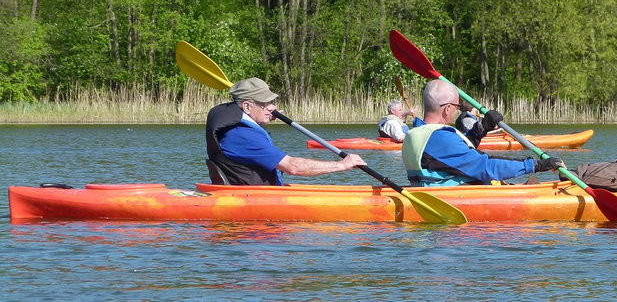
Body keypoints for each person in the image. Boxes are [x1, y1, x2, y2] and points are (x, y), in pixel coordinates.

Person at [401, 79, 565, 186]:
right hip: (458, 198)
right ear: (447, 108)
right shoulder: (439, 137)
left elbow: (456, 155)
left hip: (438, 191)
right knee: (533, 182)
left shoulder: (416, 132)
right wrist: (536, 165)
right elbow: (486, 167)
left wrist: (482, 128)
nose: (457, 112)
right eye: (457, 108)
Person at [206, 77, 367, 185]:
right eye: (266, 104)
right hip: (255, 203)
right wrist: (342, 165)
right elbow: (292, 167)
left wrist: (265, 115)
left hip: (256, 194)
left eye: (273, 102)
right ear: (247, 106)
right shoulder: (242, 136)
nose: (273, 108)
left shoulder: (238, 124)